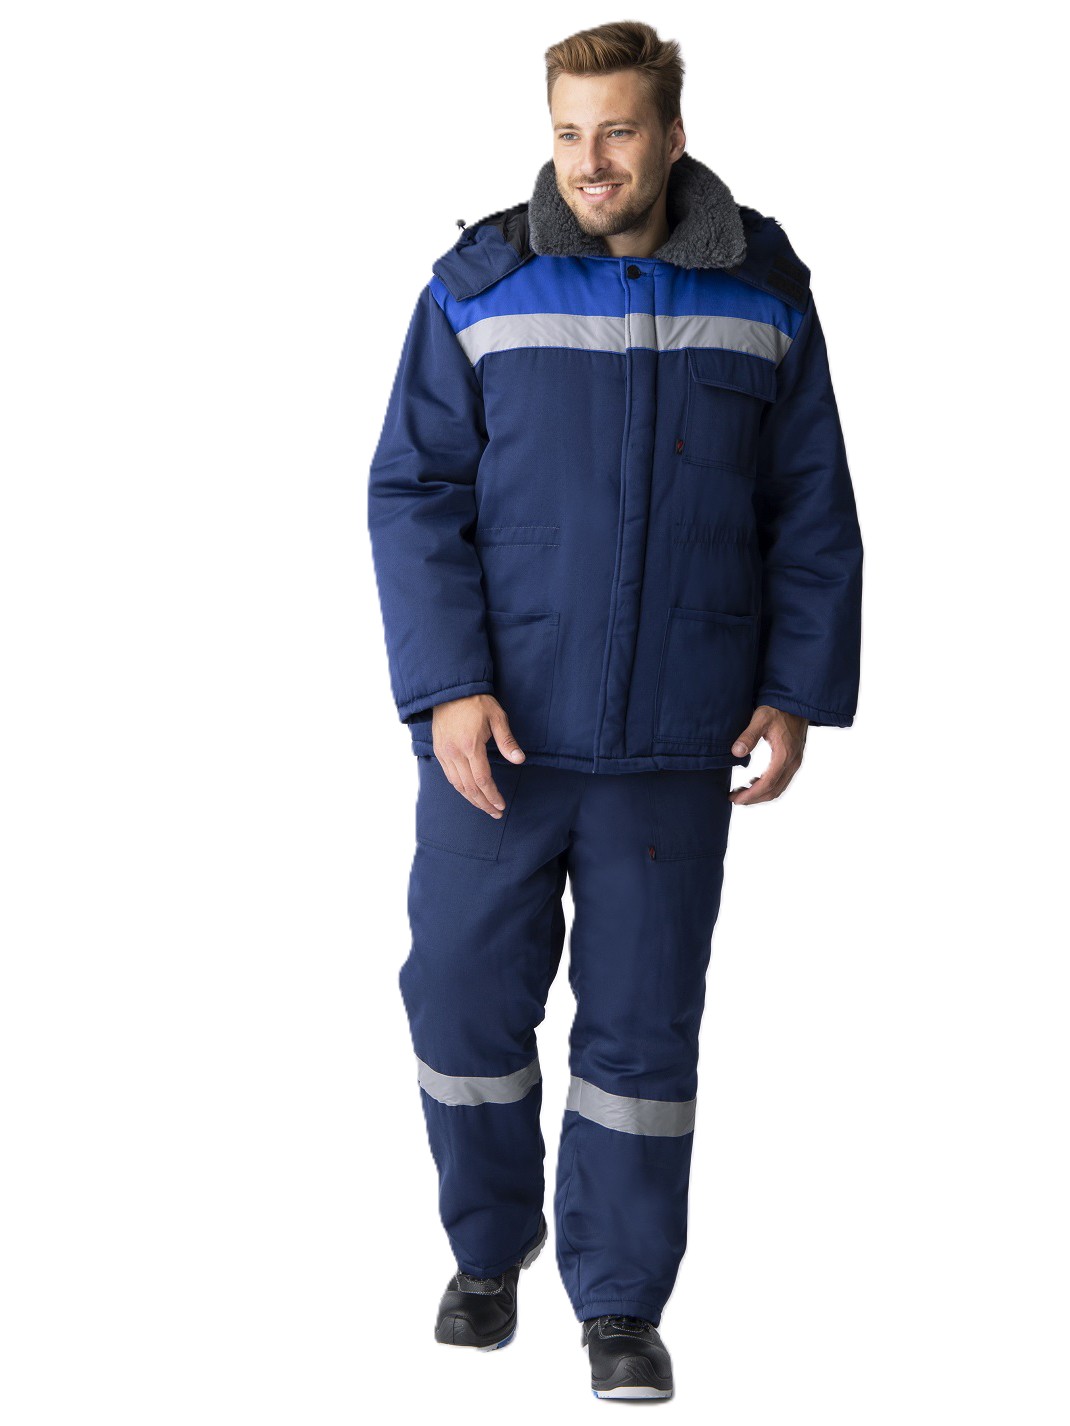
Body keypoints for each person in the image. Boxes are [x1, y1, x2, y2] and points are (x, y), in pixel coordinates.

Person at [367, 18, 863, 1402]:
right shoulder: (479, 286)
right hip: (500, 737)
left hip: (676, 734)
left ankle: (621, 1301)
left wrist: (793, 688)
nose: (591, 160)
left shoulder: (765, 291)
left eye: (619, 131)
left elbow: (809, 506)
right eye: (569, 133)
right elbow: (412, 494)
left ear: (672, 136)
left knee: (642, 1037)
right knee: (461, 1003)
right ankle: (487, 1248)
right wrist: (446, 686)